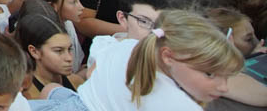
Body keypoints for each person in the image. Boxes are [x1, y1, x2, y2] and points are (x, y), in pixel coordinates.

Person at [78, 9, 243, 111]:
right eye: (209, 74)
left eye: (226, 77)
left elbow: (92, 72)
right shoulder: (180, 106)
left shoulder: (126, 45)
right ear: (168, 56)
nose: (224, 87)